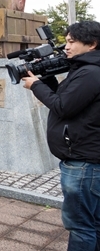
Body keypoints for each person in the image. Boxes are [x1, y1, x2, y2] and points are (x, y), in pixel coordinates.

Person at [22, 21, 100, 250]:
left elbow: (63, 107)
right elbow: (68, 99)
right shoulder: (85, 69)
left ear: (92, 44)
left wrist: (35, 85)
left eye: (71, 42)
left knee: (81, 226)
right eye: (66, 41)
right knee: (93, 223)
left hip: (83, 163)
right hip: (87, 159)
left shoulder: (90, 73)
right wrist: (44, 76)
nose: (66, 47)